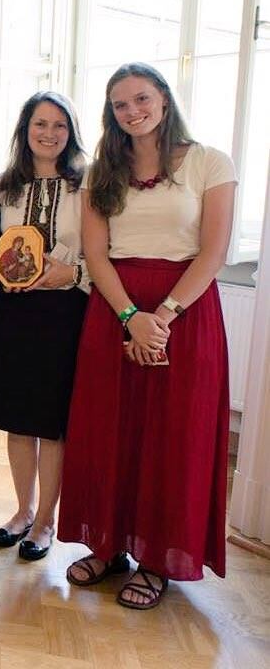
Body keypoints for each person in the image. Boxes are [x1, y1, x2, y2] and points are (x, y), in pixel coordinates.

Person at [59, 63, 235, 609]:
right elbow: (95, 252)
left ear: (163, 97)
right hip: (115, 308)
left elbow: (213, 252)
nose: (132, 111)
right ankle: (108, 545)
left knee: (170, 436)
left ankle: (157, 556)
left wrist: (162, 317)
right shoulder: (101, 171)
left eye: (141, 98)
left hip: (186, 312)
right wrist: (131, 316)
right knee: (109, 430)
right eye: (120, 105)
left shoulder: (210, 161)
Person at [0, 91, 90, 561]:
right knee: (17, 419)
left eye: (59, 126)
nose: (49, 134)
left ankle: (47, 519)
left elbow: (100, 252)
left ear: (70, 133)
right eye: (39, 125)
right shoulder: (3, 187)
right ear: (24, 130)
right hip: (13, 312)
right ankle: (22, 510)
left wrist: (70, 272)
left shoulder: (87, 185)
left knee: (51, 423)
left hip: (64, 314)